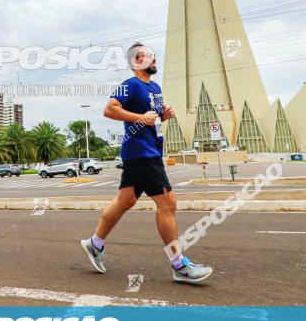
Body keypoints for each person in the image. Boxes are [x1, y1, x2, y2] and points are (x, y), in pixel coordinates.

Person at [81, 42, 213, 284]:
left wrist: (164, 115)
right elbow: (109, 110)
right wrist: (140, 117)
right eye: (149, 56)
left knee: (126, 200)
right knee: (168, 202)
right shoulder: (129, 85)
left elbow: (153, 117)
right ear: (136, 60)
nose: (154, 60)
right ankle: (179, 265)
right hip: (141, 152)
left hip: (149, 150)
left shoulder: (155, 87)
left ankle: (95, 243)